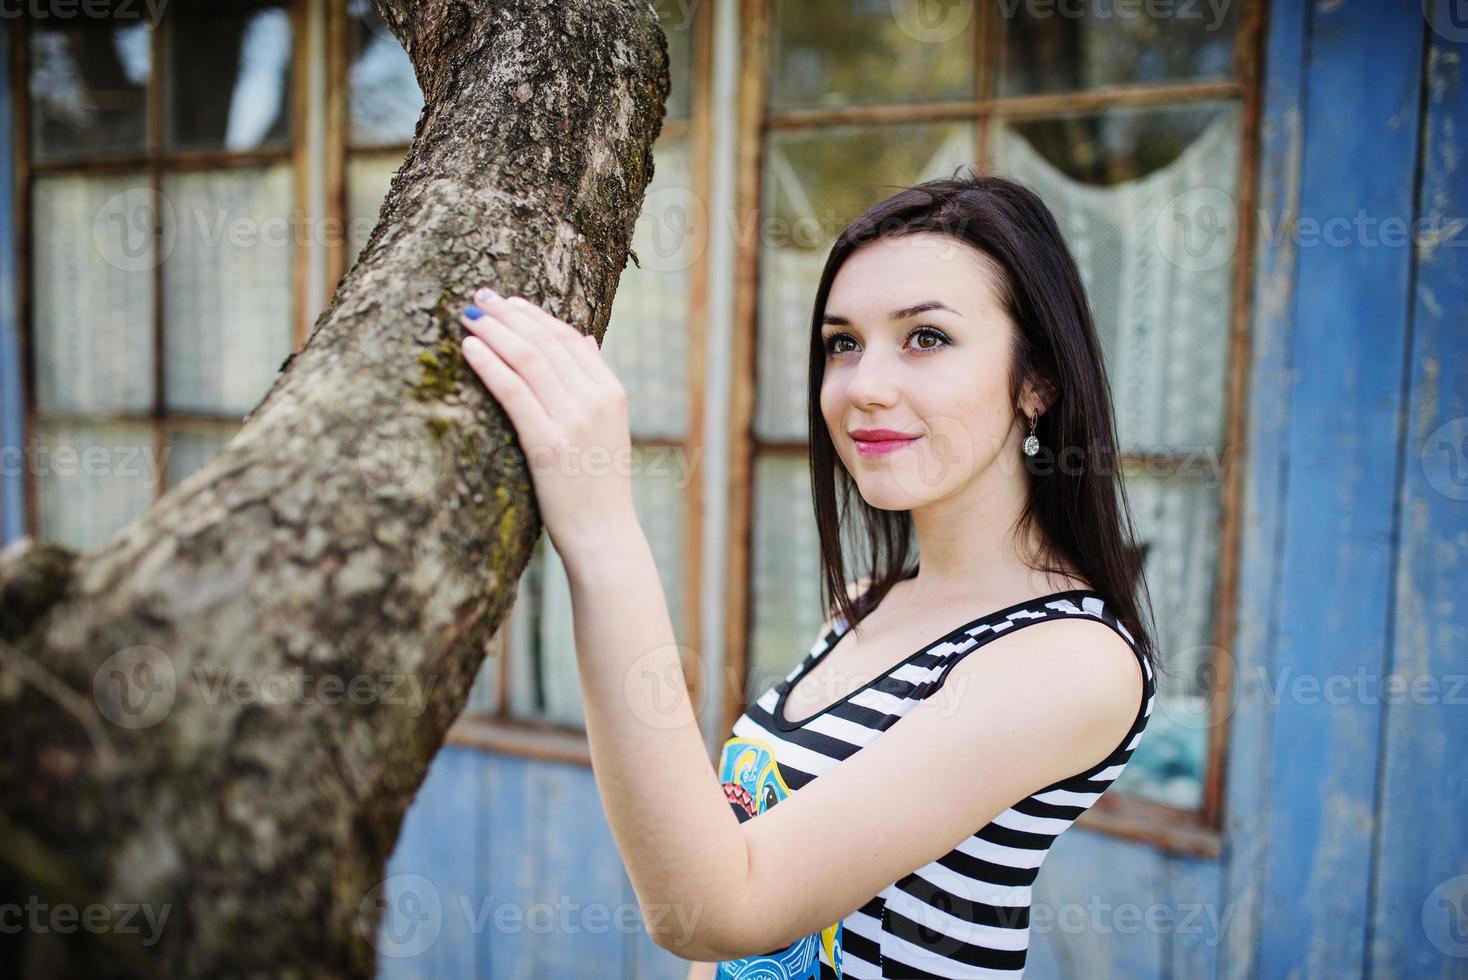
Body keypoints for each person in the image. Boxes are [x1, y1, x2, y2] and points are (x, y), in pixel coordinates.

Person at [458, 167, 1160, 979]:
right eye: (843, 343)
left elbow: (722, 912)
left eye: (925, 338)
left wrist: (602, 534)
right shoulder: (871, 606)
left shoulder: (1068, 659)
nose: (864, 387)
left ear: (1037, 381)